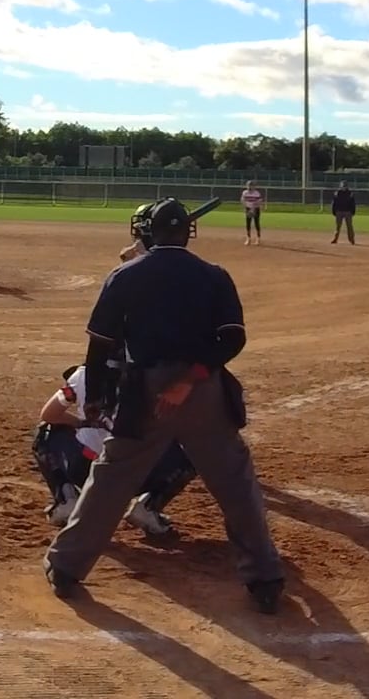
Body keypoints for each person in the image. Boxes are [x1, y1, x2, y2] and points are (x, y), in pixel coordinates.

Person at [44, 197, 284, 614]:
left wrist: (96, 398)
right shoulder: (214, 275)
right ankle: (265, 578)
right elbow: (232, 339)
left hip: (144, 392)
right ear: (188, 232)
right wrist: (190, 379)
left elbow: (99, 346)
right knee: (235, 482)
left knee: (111, 478)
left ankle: (65, 568)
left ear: (149, 233)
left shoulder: (125, 275)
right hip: (204, 390)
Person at [33, 363, 196, 537]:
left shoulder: (83, 374)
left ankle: (66, 499)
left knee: (46, 430)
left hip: (85, 469)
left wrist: (83, 423)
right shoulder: (156, 377)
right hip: (135, 477)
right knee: (192, 449)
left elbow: (49, 414)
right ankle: (149, 506)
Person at [241, 181, 264, 245]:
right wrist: (245, 208)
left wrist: (253, 209)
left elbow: (259, 202)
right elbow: (243, 200)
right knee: (248, 224)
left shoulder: (257, 193)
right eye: (248, 185)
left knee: (256, 223)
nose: (249, 187)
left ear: (254, 186)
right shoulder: (245, 192)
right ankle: (248, 238)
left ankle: (258, 239)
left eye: (251, 185)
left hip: (256, 208)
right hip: (248, 208)